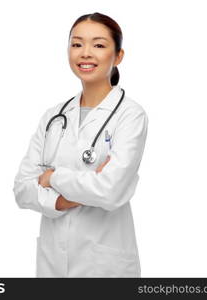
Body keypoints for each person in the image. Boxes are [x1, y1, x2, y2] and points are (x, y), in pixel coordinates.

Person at [13, 12, 149, 277]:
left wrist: (52, 177)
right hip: (52, 264)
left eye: (98, 45)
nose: (85, 53)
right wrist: (61, 202)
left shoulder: (130, 115)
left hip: (105, 266)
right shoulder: (54, 117)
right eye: (77, 44)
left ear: (118, 56)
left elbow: (110, 191)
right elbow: (22, 189)